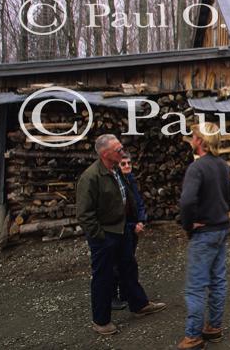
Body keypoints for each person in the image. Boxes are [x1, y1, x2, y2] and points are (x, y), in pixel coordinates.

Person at [76, 134, 166, 335]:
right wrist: (100, 236)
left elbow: (128, 196)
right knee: (103, 277)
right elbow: (84, 214)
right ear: (105, 153)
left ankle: (139, 304)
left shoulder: (117, 170)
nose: (122, 152)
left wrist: (131, 223)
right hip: (105, 234)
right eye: (118, 150)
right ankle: (101, 321)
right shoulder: (90, 177)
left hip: (122, 229)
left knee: (128, 268)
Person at [177, 122, 230, 350]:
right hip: (221, 228)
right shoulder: (223, 165)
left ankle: (193, 337)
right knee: (218, 280)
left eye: (193, 136)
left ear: (200, 141)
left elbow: (187, 201)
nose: (191, 139)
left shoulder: (196, 168)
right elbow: (229, 199)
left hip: (205, 232)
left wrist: (188, 224)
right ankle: (214, 327)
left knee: (196, 286)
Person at [112, 154, 148, 310]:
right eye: (123, 164)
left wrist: (141, 220)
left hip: (133, 227)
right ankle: (112, 296)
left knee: (128, 260)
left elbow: (138, 202)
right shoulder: (116, 183)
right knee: (115, 264)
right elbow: (118, 210)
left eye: (128, 163)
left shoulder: (131, 180)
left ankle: (125, 293)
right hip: (122, 228)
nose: (127, 166)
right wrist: (132, 225)